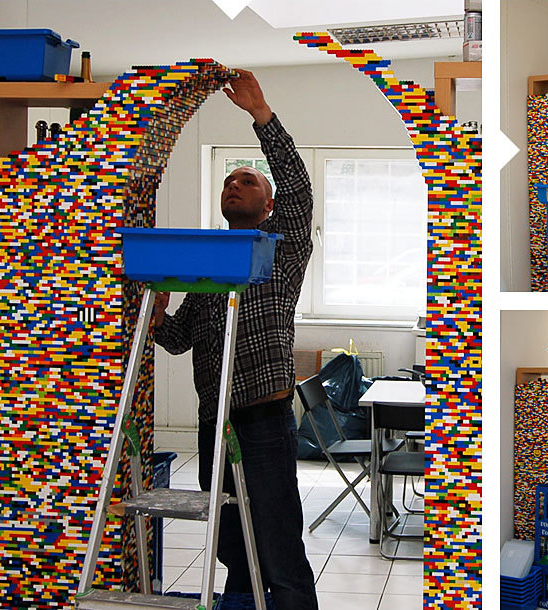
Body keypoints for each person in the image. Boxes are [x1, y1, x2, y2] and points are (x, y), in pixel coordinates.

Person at [152, 69, 317, 609]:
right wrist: (158, 318)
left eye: (247, 181)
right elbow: (181, 338)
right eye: (229, 181)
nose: (234, 185)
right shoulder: (210, 265)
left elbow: (298, 188)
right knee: (232, 544)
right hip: (214, 426)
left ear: (267, 206)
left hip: (263, 424)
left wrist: (261, 115)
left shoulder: (279, 252)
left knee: (279, 546)